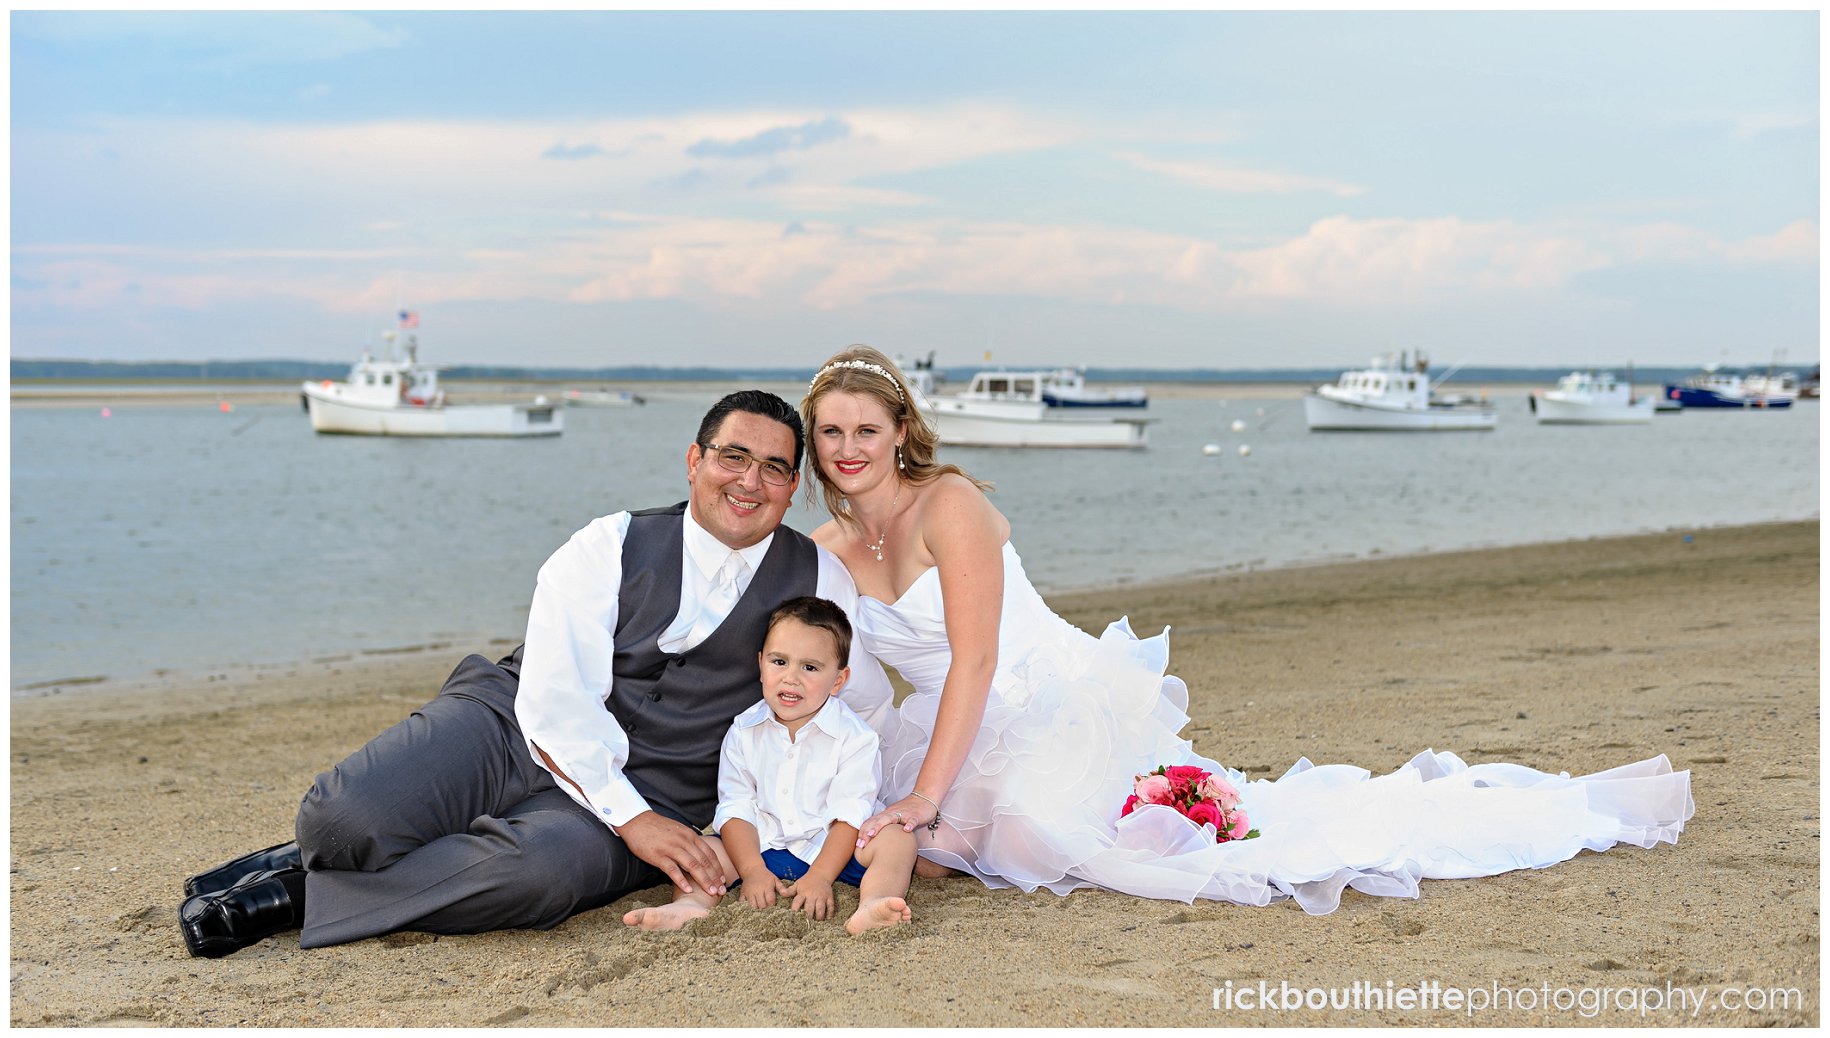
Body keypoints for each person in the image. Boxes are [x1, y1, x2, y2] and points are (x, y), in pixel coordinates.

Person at [801, 345, 1695, 912]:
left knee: (1046, 838)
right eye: (831, 431)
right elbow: (854, 675)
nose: (849, 447)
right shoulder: (828, 547)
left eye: (866, 428)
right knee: (941, 850)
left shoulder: (947, 505)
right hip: (955, 721)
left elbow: (980, 658)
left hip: (1043, 696)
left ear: (901, 430)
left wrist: (922, 794)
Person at [178, 391, 894, 957]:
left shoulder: (819, 578)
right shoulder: (607, 544)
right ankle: (315, 849)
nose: (749, 481)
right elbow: (553, 705)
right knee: (342, 817)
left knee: (537, 878)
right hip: (510, 728)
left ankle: (295, 894)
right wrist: (633, 820)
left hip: (652, 794)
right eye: (732, 456)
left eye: (773, 468)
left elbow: (857, 706)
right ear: (693, 460)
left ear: (793, 485)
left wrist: (905, 814)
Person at [622, 596, 916, 935]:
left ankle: (873, 903)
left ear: (838, 680)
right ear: (761, 663)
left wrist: (820, 876)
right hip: (762, 846)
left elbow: (849, 816)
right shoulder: (743, 731)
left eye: (810, 667)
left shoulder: (857, 738)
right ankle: (689, 906)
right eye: (780, 662)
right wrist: (751, 870)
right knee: (702, 850)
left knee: (897, 841)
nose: (791, 678)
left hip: (837, 848)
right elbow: (736, 807)